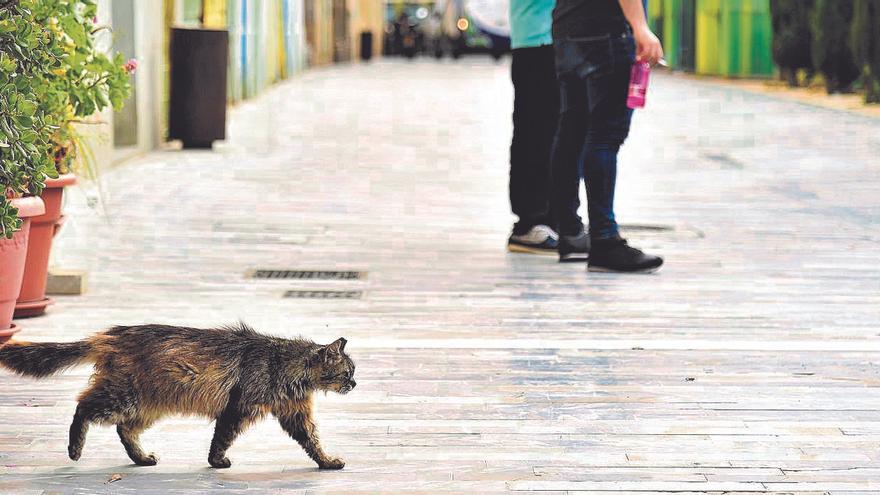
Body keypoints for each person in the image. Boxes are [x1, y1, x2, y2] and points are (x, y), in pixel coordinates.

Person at [549, 0, 665, 272]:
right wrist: (640, 27)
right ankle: (604, 240)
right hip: (608, 30)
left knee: (572, 131)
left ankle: (569, 232)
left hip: (567, 27)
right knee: (604, 136)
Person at [505, 0, 561, 255]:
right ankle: (530, 222)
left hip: (549, 41)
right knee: (535, 134)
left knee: (552, 135)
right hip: (538, 42)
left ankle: (550, 218)